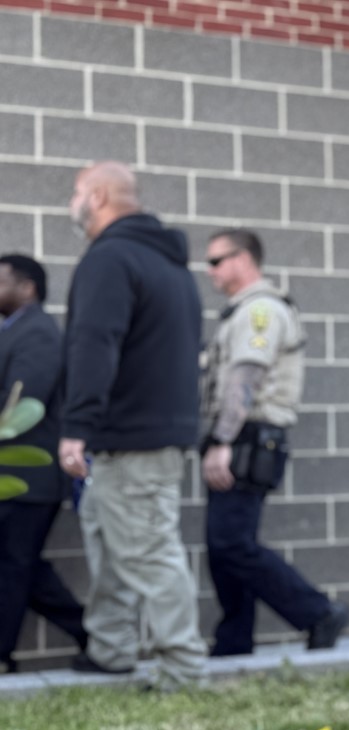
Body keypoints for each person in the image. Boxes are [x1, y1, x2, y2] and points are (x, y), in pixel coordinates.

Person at [59, 161, 207, 689]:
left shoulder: (110, 258)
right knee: (110, 543)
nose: (71, 202)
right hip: (140, 436)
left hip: (132, 439)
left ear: (98, 196)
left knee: (147, 552)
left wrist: (76, 424)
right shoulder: (167, 265)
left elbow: (93, 344)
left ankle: (183, 670)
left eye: (76, 192)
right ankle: (112, 648)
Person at [201, 229, 349, 655]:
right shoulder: (243, 310)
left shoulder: (260, 310)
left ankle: (318, 612)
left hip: (248, 435)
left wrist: (222, 440)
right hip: (242, 434)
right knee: (226, 544)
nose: (210, 271)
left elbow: (247, 376)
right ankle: (234, 637)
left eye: (216, 261)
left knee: (231, 543)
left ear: (243, 259)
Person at [0, 255, 87, 674]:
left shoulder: (37, 334)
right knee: (21, 566)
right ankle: (89, 632)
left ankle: (3, 657)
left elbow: (19, 406)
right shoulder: (15, 331)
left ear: (27, 287)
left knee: (13, 566)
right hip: (14, 479)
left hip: (28, 479)